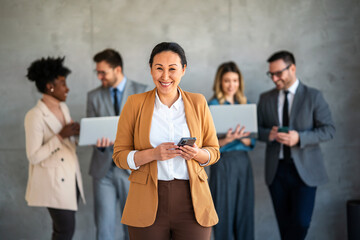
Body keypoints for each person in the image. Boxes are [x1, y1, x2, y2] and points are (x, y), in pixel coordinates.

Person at [112, 42, 220, 240]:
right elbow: (119, 156)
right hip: (146, 201)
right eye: (159, 68)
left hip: (192, 201)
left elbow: (214, 151)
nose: (165, 76)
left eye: (172, 69)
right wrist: (153, 154)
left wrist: (197, 153)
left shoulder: (198, 102)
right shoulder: (134, 104)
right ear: (151, 68)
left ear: (183, 70)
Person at [257, 50, 335, 240]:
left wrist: (299, 138)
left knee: (300, 223)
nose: (274, 79)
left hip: (305, 172)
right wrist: (270, 134)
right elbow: (257, 130)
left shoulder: (313, 96)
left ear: (292, 68)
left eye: (278, 73)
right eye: (271, 74)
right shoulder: (265, 98)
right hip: (276, 172)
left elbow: (329, 130)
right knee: (284, 226)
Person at [87, 49, 149, 240]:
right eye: (97, 72)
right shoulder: (93, 96)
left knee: (134, 229)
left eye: (103, 72)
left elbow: (149, 133)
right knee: (104, 230)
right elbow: (91, 133)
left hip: (132, 170)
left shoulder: (143, 91)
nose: (99, 77)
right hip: (103, 170)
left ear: (118, 69)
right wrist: (99, 144)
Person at [24, 57, 85, 240]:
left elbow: (68, 143)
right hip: (53, 183)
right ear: (50, 87)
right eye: (63, 84)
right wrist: (60, 136)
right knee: (64, 232)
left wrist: (78, 133)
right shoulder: (34, 116)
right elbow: (33, 156)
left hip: (71, 177)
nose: (67, 88)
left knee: (64, 232)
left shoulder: (63, 108)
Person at [208, 61, 256, 240]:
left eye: (235, 81)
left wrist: (242, 137)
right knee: (223, 212)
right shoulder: (211, 106)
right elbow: (206, 143)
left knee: (244, 212)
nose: (231, 85)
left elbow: (252, 141)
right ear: (220, 82)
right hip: (222, 163)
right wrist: (227, 139)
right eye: (227, 81)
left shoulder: (246, 104)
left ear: (239, 82)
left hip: (243, 162)